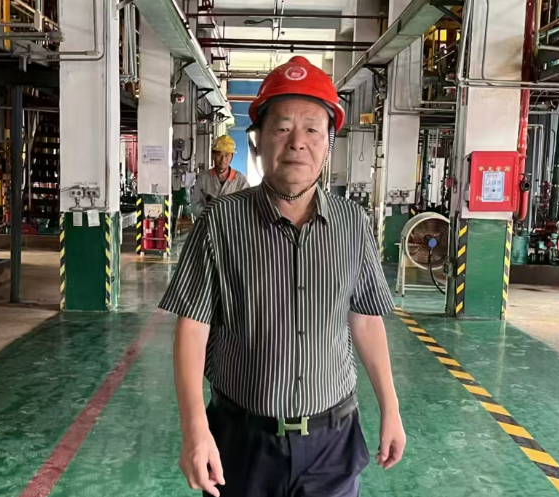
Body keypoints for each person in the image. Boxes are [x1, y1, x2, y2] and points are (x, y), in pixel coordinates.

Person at [160, 56, 405, 497]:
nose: (297, 143)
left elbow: (367, 319)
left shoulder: (353, 224)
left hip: (332, 441)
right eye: (282, 128)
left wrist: (391, 407)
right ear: (257, 140)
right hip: (242, 442)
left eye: (312, 130)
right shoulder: (220, 223)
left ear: (328, 143)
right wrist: (195, 428)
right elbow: (192, 329)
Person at [190, 135, 250, 218]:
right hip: (208, 224)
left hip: (231, 224)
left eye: (226, 155)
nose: (223, 160)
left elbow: (247, 205)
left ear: (232, 157)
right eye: (219, 154)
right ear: (213, 155)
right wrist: (210, 213)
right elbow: (194, 205)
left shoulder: (241, 181)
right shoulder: (203, 179)